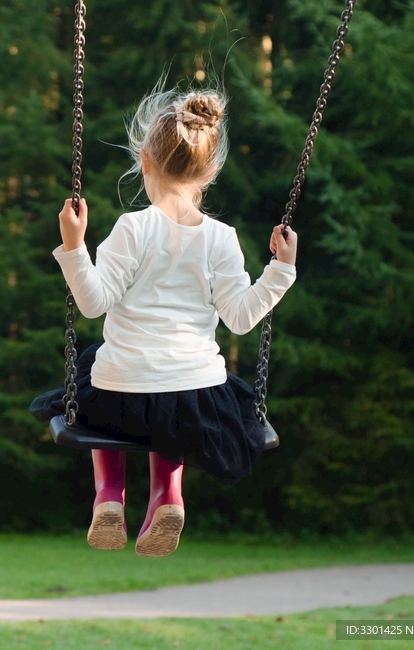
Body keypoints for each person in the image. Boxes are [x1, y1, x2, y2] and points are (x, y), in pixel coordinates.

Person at [30, 85, 298, 557]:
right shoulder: (221, 238)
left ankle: (109, 496)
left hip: (121, 394)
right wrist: (281, 270)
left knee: (98, 373)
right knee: (174, 405)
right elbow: (240, 318)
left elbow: (92, 303)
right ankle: (168, 496)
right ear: (210, 171)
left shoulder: (132, 228)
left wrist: (74, 246)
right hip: (194, 398)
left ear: (144, 162)